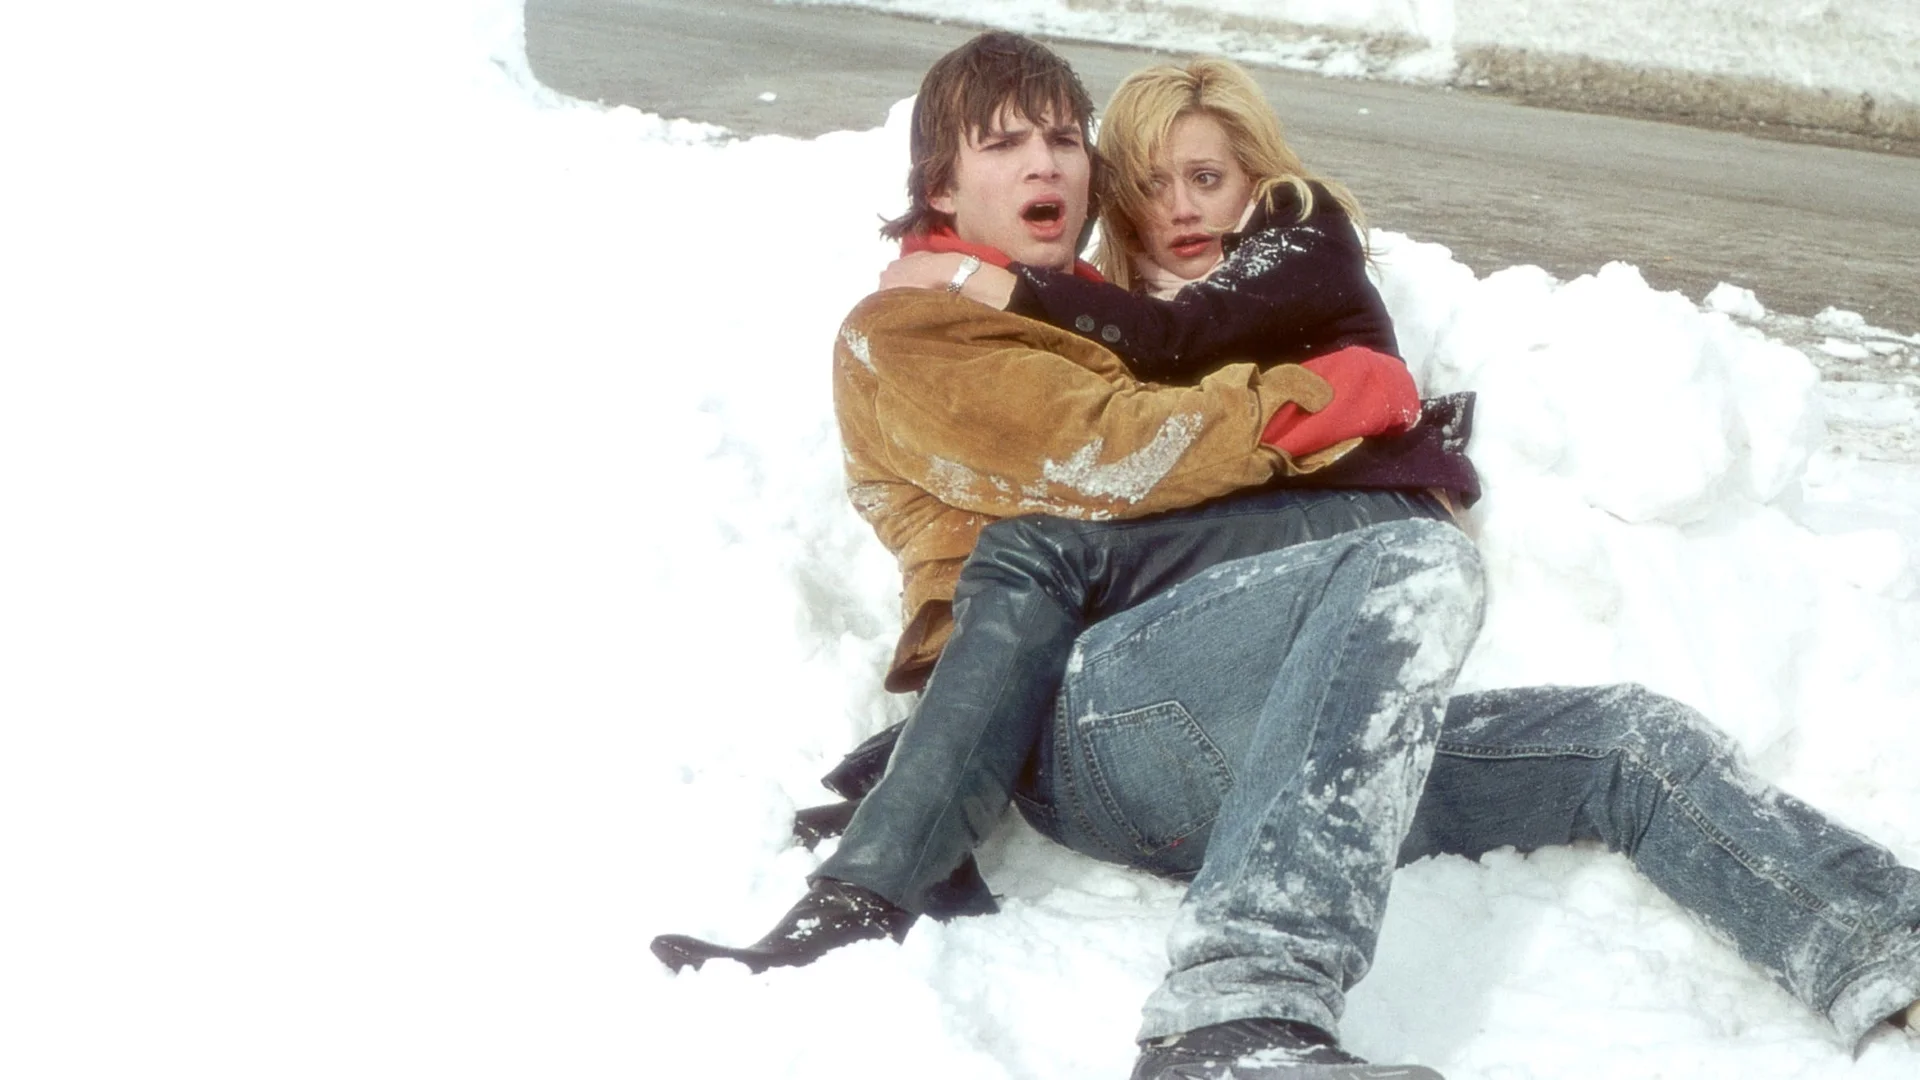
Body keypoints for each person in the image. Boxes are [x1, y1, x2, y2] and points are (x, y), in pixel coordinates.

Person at [653, 35, 1920, 1080]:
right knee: (1411, 566)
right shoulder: (915, 323)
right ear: (940, 187)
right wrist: (1326, 395)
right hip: (1101, 710)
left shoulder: (1125, 324)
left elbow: (1177, 380)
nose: (1046, 160)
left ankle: (1891, 951)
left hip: (1269, 725)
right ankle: (1237, 1017)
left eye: (1060, 138)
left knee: (1627, 741)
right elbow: (1116, 456)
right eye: (1004, 143)